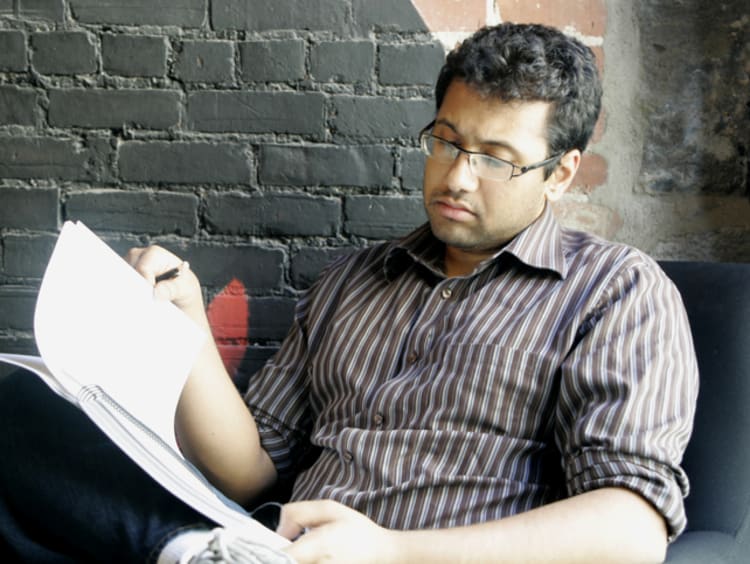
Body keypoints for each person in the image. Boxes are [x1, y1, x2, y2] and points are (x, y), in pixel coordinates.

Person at [0, 22, 697, 563]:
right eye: (448, 142)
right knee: (15, 407)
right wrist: (186, 324)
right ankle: (188, 548)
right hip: (274, 543)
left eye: (496, 160)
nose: (456, 177)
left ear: (562, 172)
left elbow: (632, 531)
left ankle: (174, 546)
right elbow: (249, 472)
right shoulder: (354, 279)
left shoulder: (617, 292)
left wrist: (391, 551)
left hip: (422, 558)